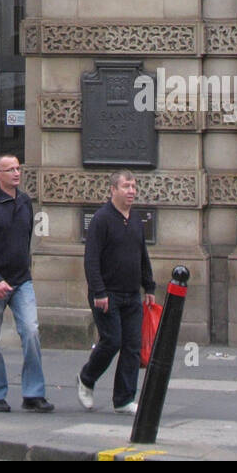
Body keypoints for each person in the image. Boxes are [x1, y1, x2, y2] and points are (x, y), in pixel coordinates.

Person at [0, 154, 54, 413]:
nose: (16, 173)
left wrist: (23, 270)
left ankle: (33, 393)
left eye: (18, 168)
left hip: (21, 281)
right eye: (10, 170)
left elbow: (25, 237)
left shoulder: (25, 202)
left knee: (30, 332)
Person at [77, 169, 156, 414]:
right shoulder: (102, 219)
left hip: (131, 293)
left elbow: (141, 254)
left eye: (133, 186)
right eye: (126, 187)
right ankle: (86, 378)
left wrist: (149, 285)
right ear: (113, 190)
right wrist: (98, 291)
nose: (131, 191)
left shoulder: (135, 219)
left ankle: (123, 399)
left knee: (132, 346)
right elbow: (91, 259)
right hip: (106, 293)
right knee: (112, 341)